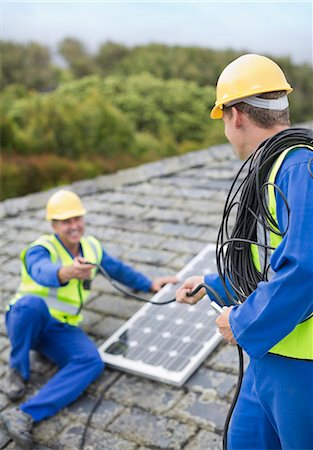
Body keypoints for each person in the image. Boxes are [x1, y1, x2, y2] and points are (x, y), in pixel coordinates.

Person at [176, 54, 313, 449]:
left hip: (300, 369)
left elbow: (304, 269)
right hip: (269, 355)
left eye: (222, 120)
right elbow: (267, 261)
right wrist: (212, 283)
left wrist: (243, 322)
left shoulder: (298, 169)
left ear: (236, 115)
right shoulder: (272, 170)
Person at [0, 189, 177, 449]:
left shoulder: (91, 247)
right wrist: (66, 271)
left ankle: (24, 414)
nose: (73, 226)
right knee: (30, 304)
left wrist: (150, 284)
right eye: (65, 221)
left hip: (61, 329)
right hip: (27, 323)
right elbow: (40, 271)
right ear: (54, 225)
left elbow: (117, 270)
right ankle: (17, 369)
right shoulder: (41, 248)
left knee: (92, 362)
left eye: (77, 218)